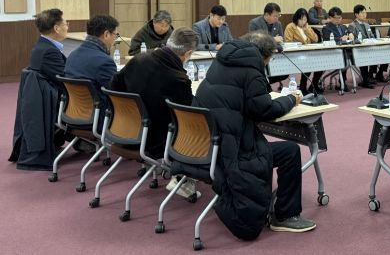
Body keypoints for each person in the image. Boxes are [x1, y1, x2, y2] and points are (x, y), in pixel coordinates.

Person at [193, 32, 316, 236]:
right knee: (290, 151)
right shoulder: (251, 72)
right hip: (232, 149)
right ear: (265, 56)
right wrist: (291, 99)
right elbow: (263, 110)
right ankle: (285, 216)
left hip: (208, 143)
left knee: (265, 142)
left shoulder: (221, 61)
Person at [110, 28, 197, 170]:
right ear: (188, 53)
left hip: (124, 129)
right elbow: (187, 116)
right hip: (155, 140)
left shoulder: (139, 59)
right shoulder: (178, 79)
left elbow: (114, 87)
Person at [9, 8, 69, 170]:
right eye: (65, 23)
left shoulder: (42, 45)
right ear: (56, 28)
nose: (67, 26)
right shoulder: (49, 51)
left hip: (45, 97)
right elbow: (66, 79)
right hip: (54, 100)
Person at [64, 15, 119, 119]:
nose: (115, 40)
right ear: (106, 34)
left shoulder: (72, 55)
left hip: (72, 115)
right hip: (98, 119)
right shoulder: (104, 62)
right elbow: (116, 94)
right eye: (115, 35)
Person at [284, 8, 323, 95]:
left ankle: (314, 85)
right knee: (308, 63)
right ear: (296, 18)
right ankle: (303, 86)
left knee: (321, 63)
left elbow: (316, 39)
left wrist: (307, 30)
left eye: (305, 19)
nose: (303, 22)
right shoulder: (290, 27)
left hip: (308, 53)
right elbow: (288, 42)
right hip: (296, 54)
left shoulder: (307, 27)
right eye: (301, 19)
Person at [322, 6, 354, 92]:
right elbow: (327, 40)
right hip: (334, 53)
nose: (338, 20)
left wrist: (351, 34)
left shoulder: (343, 27)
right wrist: (340, 39)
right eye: (336, 18)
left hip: (346, 51)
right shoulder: (326, 28)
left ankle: (343, 80)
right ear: (330, 18)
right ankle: (342, 81)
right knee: (344, 57)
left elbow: (349, 33)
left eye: (340, 18)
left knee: (349, 55)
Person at [348, 4, 377, 88]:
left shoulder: (367, 25)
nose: (365, 15)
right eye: (362, 13)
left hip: (369, 48)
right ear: (356, 14)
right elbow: (353, 40)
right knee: (364, 57)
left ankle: (370, 76)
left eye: (365, 13)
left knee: (378, 54)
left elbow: (372, 36)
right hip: (358, 50)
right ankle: (365, 80)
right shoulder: (352, 25)